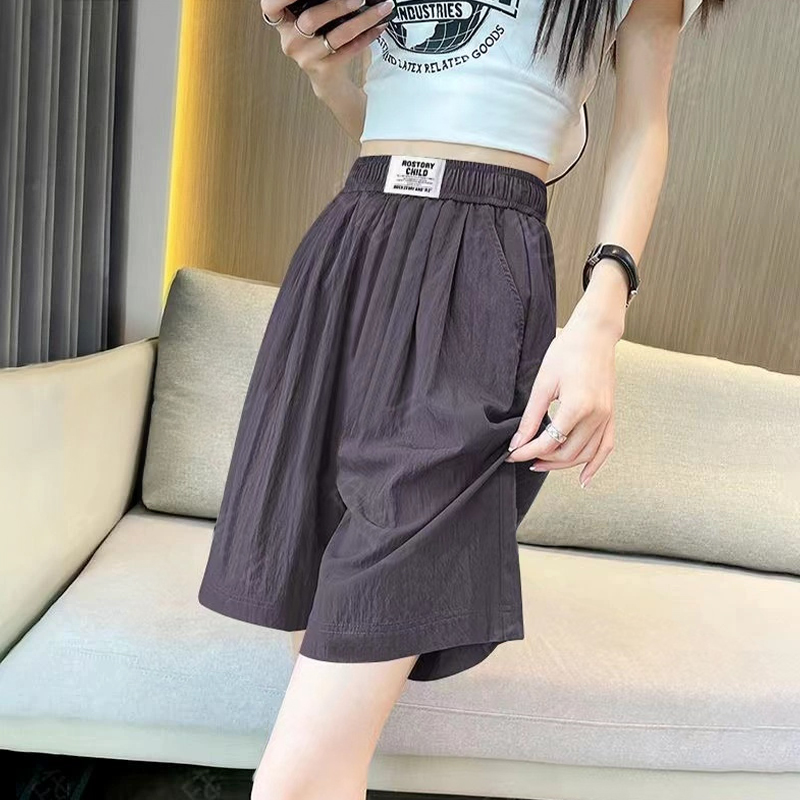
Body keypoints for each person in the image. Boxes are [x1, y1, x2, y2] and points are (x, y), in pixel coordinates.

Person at [197, 0, 726, 797]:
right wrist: (325, 71)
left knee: (298, 773)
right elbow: (389, 126)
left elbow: (645, 125)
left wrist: (601, 317)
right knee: (321, 660)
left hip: (482, 268)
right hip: (352, 244)